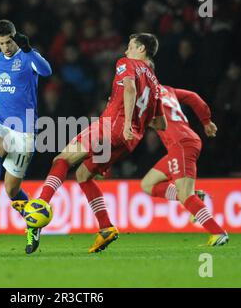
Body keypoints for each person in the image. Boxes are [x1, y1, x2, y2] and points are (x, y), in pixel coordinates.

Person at [13, 33, 167, 254]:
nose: (126, 51)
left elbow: (130, 88)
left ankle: (40, 203)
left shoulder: (127, 63)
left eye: (130, 46)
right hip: (129, 140)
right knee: (83, 175)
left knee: (63, 158)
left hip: (112, 126)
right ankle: (105, 227)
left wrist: (125, 122)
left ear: (141, 49)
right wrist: (134, 124)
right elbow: (160, 124)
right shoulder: (155, 84)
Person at [0, 20, 52, 229]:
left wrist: (29, 50)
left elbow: (47, 72)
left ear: (15, 37)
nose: (5, 48)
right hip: (0, 119)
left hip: (23, 127)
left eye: (8, 42)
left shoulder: (27, 57)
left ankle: (33, 225)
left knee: (11, 190)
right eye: (0, 43)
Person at [140, 85, 229, 246]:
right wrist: (206, 121)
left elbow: (155, 122)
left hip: (180, 143)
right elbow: (193, 97)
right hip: (184, 142)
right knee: (148, 184)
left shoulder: (146, 96)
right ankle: (194, 195)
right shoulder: (167, 90)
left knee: (186, 195)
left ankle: (218, 232)